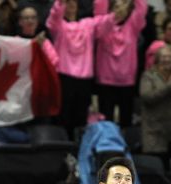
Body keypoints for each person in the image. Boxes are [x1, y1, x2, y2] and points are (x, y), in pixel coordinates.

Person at [46, 0, 130, 138]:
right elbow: (53, 17)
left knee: (81, 119)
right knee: (63, 117)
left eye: (73, 2)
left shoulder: (88, 24)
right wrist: (59, 2)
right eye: (67, 2)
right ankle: (63, 149)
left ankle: (80, 150)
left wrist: (116, 14)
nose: (71, 5)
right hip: (64, 78)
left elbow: (105, 22)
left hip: (84, 80)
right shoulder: (59, 26)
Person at [140, 45, 171, 161]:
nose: (166, 60)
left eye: (169, 57)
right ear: (157, 59)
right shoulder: (148, 76)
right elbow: (147, 97)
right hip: (156, 131)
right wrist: (169, 86)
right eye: (163, 57)